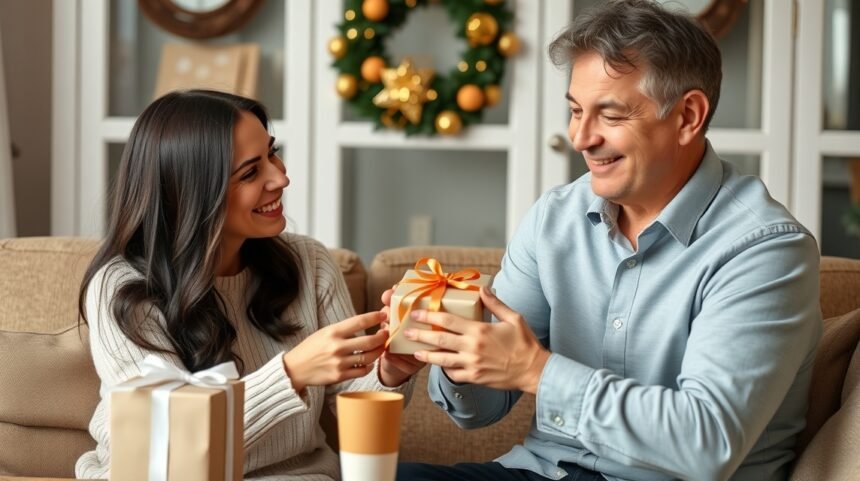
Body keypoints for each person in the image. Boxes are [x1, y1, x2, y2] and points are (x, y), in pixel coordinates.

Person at [393, 1, 821, 480]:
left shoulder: (766, 250)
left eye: (610, 115)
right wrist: (452, 349)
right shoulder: (556, 218)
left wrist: (537, 370)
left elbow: (707, 444)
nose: (580, 137)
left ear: (688, 116)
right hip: (543, 472)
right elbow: (479, 412)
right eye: (576, 111)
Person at [75, 89, 424, 480]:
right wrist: (290, 374)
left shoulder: (308, 263)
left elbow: (351, 396)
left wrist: (390, 370)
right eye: (250, 172)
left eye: (272, 153)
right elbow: (165, 447)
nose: (281, 177)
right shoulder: (123, 290)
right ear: (192, 193)